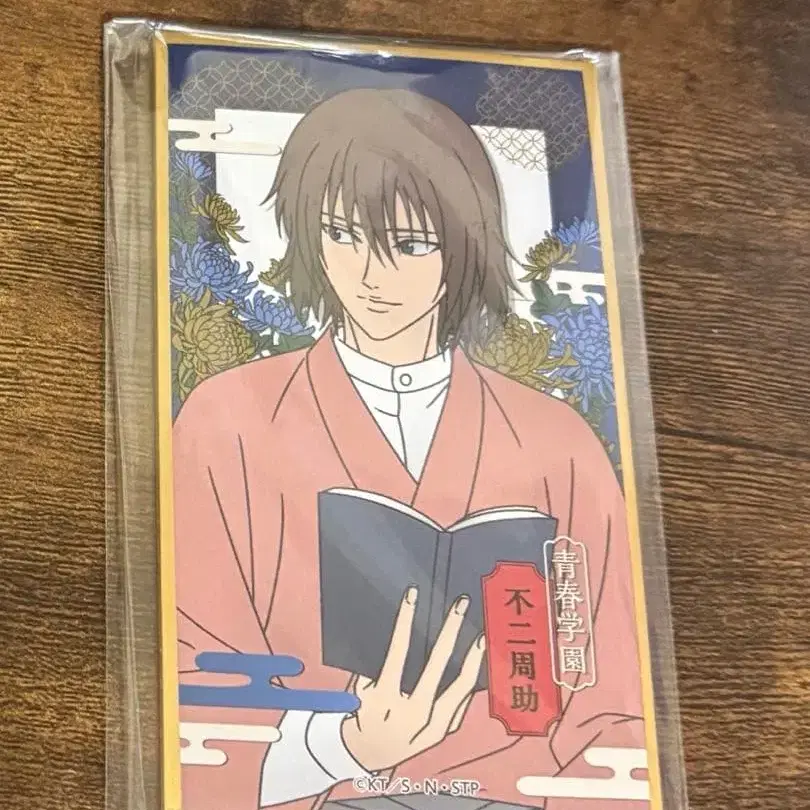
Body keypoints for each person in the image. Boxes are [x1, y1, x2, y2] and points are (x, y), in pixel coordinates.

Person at [173, 88, 646, 810]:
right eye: (342, 234)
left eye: (411, 244)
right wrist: (344, 745)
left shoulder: (558, 443)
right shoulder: (228, 420)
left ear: (463, 244)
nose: (370, 274)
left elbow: (615, 701)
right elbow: (194, 670)